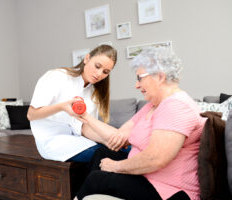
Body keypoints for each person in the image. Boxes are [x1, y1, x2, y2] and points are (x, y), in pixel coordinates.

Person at [74, 46, 206, 200]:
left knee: (96, 179)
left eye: (140, 78)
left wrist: (115, 167)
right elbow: (120, 136)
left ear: (160, 77)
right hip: (148, 178)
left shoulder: (176, 106)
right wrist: (85, 117)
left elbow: (155, 159)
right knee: (101, 153)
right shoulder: (153, 105)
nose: (137, 85)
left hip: (169, 189)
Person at [27, 45, 117, 162]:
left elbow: (84, 127)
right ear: (87, 58)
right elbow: (31, 115)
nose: (99, 74)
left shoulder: (93, 92)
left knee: (124, 150)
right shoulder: (57, 76)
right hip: (53, 143)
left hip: (79, 140)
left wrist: (109, 140)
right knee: (105, 155)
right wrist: (62, 107)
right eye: (97, 66)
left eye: (105, 72)